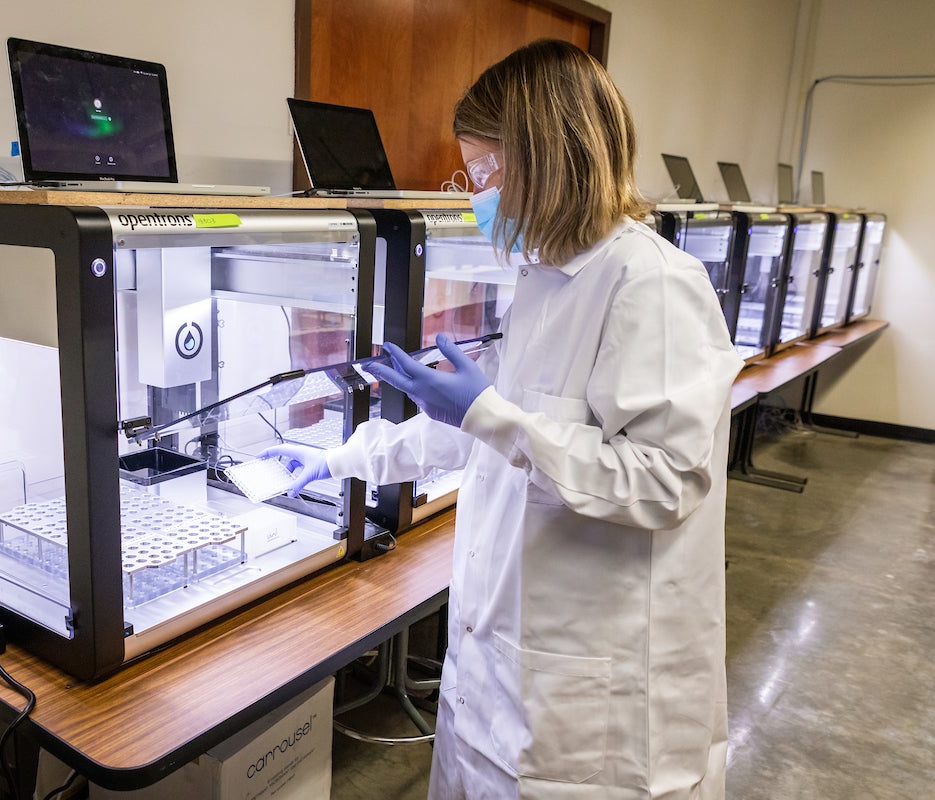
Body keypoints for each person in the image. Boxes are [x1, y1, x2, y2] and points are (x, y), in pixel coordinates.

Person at [266, 39, 743, 799]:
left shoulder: (651, 286)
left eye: (485, 173)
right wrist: (342, 459)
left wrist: (489, 414)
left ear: (550, 157)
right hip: (497, 674)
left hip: (593, 705)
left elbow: (664, 482)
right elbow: (495, 436)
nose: (475, 195)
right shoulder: (542, 279)